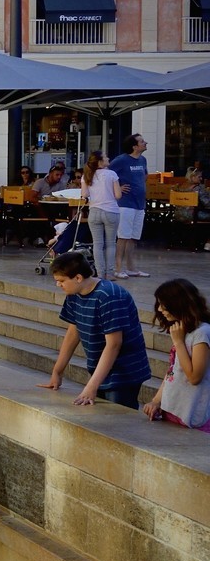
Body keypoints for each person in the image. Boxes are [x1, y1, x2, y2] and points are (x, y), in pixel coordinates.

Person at [42, 251, 152, 409]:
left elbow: (114, 344)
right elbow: (74, 331)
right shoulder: (74, 293)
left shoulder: (109, 296)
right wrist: (57, 371)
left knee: (116, 422)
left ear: (78, 278)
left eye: (61, 281)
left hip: (123, 373)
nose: (58, 285)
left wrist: (91, 386)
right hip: (100, 369)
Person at [145, 279, 210, 429]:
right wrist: (156, 400)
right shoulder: (182, 330)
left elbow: (195, 377)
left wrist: (179, 343)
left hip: (192, 416)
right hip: (172, 408)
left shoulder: (202, 333)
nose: (160, 310)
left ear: (178, 303)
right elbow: (172, 370)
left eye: (163, 305)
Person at [110, 133, 150, 278]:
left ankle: (131, 267)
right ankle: (118, 268)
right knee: (123, 236)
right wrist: (118, 188)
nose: (145, 143)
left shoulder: (143, 160)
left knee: (133, 237)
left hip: (139, 204)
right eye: (142, 141)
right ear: (134, 146)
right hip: (125, 203)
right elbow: (107, 175)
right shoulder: (121, 160)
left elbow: (145, 175)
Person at [81, 151, 123, 281]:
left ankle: (100, 273)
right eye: (105, 157)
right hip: (111, 211)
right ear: (100, 162)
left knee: (97, 244)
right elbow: (118, 195)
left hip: (94, 211)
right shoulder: (111, 174)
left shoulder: (87, 175)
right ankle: (109, 273)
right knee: (110, 243)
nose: (108, 157)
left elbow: (84, 194)